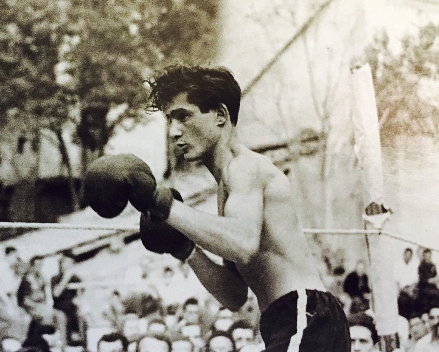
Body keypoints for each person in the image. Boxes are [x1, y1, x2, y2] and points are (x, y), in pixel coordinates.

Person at [83, 65, 351, 350]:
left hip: (305, 315)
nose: (174, 132)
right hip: (288, 319)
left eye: (183, 117)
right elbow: (235, 295)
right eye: (169, 121)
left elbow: (242, 244)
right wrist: (185, 249)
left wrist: (157, 201)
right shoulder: (228, 189)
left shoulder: (245, 168)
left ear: (221, 116)